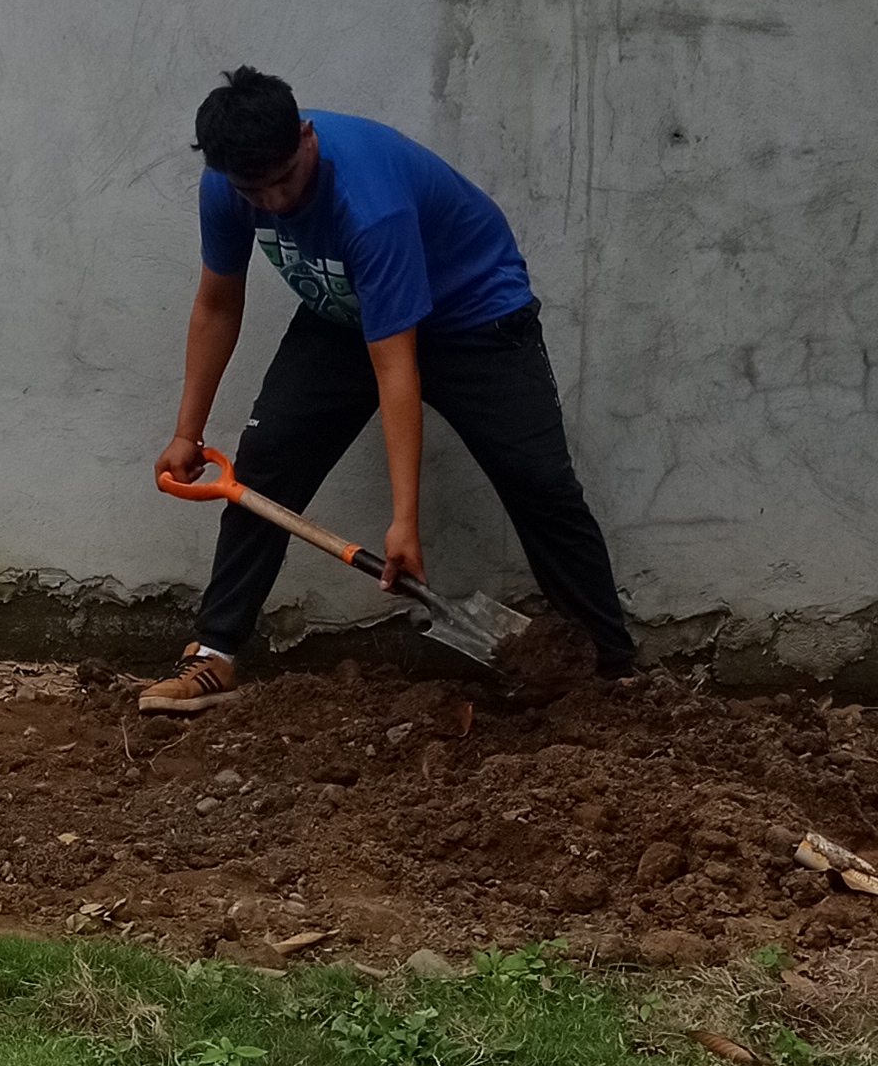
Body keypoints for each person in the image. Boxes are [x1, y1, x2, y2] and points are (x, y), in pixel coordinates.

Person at [141, 66, 634, 715]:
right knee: (267, 466)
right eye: (254, 191)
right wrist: (187, 432)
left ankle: (614, 672)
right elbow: (217, 305)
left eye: (285, 179)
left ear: (307, 138)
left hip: (475, 317)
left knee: (539, 484)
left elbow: (397, 367)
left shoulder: (371, 206)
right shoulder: (228, 186)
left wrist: (405, 522)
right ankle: (215, 653)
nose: (275, 202)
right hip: (345, 315)